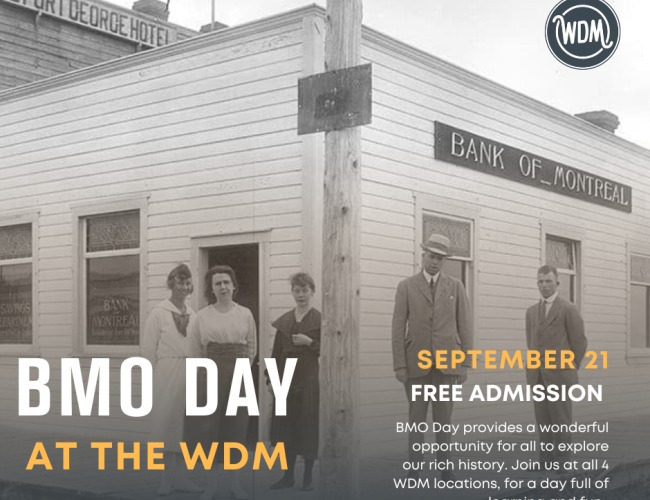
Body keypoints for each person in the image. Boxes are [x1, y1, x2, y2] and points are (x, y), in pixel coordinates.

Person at [391, 233, 473, 481]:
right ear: (423, 255)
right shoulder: (406, 286)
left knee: (443, 420)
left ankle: (445, 468)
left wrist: (465, 363)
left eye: (440, 258)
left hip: (448, 366)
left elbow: (465, 326)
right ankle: (414, 469)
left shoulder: (455, 286)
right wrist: (400, 365)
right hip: (415, 366)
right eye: (431, 256)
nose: (435, 262)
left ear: (444, 261)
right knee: (416, 420)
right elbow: (397, 327)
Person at [189, 265, 256, 500]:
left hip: (238, 374)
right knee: (210, 430)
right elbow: (195, 349)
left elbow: (252, 347)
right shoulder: (201, 316)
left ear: (234, 285)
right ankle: (211, 485)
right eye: (218, 283)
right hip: (211, 374)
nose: (223, 287)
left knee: (236, 429)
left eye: (227, 282)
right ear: (211, 288)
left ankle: (235, 484)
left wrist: (242, 372)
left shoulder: (245, 313)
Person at [142, 263, 202, 496]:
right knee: (167, 425)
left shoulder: (194, 314)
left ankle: (183, 478)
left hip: (190, 370)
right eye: (180, 282)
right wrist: (151, 377)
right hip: (167, 371)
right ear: (171, 284)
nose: (184, 287)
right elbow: (148, 348)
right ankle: (166, 480)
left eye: (188, 283)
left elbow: (198, 345)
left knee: (186, 427)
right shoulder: (158, 313)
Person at [525, 265, 587, 469]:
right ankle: (545, 461)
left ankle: (561, 462)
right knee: (543, 421)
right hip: (538, 376)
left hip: (560, 376)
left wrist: (569, 369)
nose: (544, 286)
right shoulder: (532, 312)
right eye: (540, 281)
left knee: (560, 420)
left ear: (557, 283)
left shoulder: (568, 308)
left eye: (548, 281)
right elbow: (531, 342)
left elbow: (579, 343)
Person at [268, 272, 321, 492]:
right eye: (297, 291)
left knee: (307, 426)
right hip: (285, 378)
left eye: (305, 290)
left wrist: (311, 342)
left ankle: (307, 477)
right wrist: (271, 381)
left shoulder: (320, 320)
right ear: (292, 293)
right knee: (285, 428)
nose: (301, 295)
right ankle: (287, 476)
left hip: (308, 376)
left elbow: (332, 348)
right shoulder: (285, 322)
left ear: (312, 292)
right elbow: (275, 354)